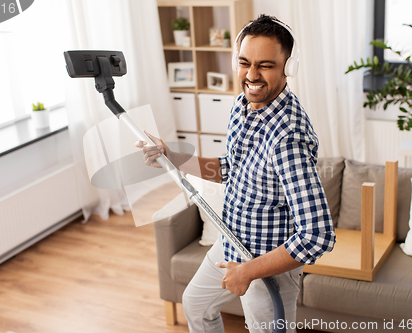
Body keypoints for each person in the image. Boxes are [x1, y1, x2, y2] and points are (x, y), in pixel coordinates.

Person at [135, 14, 335, 333]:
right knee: (196, 306)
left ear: (288, 67)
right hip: (231, 243)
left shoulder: (287, 138)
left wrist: (249, 271)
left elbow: (318, 236)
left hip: (265, 267)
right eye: (244, 62)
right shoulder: (243, 106)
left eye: (265, 65)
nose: (251, 74)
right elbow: (229, 167)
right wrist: (171, 156)